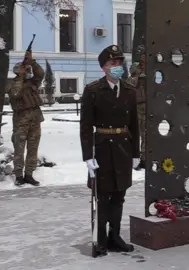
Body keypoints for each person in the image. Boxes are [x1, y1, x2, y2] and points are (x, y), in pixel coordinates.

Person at [80, 44, 140, 257]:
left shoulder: (130, 91)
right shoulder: (93, 91)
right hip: (102, 149)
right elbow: (86, 127)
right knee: (103, 196)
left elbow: (134, 124)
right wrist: (88, 156)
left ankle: (115, 237)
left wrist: (136, 152)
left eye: (119, 63)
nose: (118, 67)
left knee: (119, 196)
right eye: (113, 63)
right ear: (104, 67)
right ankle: (102, 239)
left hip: (123, 147)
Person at [8, 51, 45, 186]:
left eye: (28, 70)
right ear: (18, 71)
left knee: (33, 147)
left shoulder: (33, 82)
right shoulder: (13, 83)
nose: (28, 71)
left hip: (35, 118)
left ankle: (29, 174)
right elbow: (16, 94)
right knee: (19, 147)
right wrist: (21, 78)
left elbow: (40, 73)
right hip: (21, 119)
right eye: (25, 69)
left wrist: (32, 62)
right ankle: (18, 175)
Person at [127, 56, 146, 170]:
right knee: (135, 135)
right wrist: (139, 76)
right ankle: (134, 157)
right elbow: (131, 86)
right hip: (136, 108)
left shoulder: (147, 77)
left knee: (145, 135)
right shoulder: (133, 79)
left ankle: (143, 158)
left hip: (146, 108)